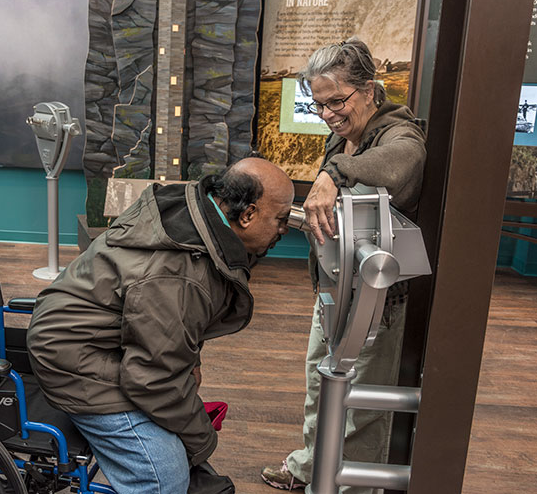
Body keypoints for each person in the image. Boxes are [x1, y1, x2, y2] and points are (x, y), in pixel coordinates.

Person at [27, 157, 294, 494]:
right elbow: (152, 379)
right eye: (281, 219)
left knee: (178, 426)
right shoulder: (180, 271)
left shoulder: (193, 216)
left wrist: (190, 362)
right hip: (73, 359)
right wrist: (201, 437)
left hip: (97, 341)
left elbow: (166, 330)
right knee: (162, 477)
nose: (284, 230)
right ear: (247, 215)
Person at [260, 38, 426, 492]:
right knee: (320, 383)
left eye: (337, 101)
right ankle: (309, 468)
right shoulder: (344, 134)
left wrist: (333, 173)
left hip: (377, 300)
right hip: (334, 288)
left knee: (362, 408)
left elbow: (402, 161)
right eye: (319, 104)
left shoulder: (398, 132)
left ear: (369, 91)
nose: (328, 113)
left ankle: (352, 487)